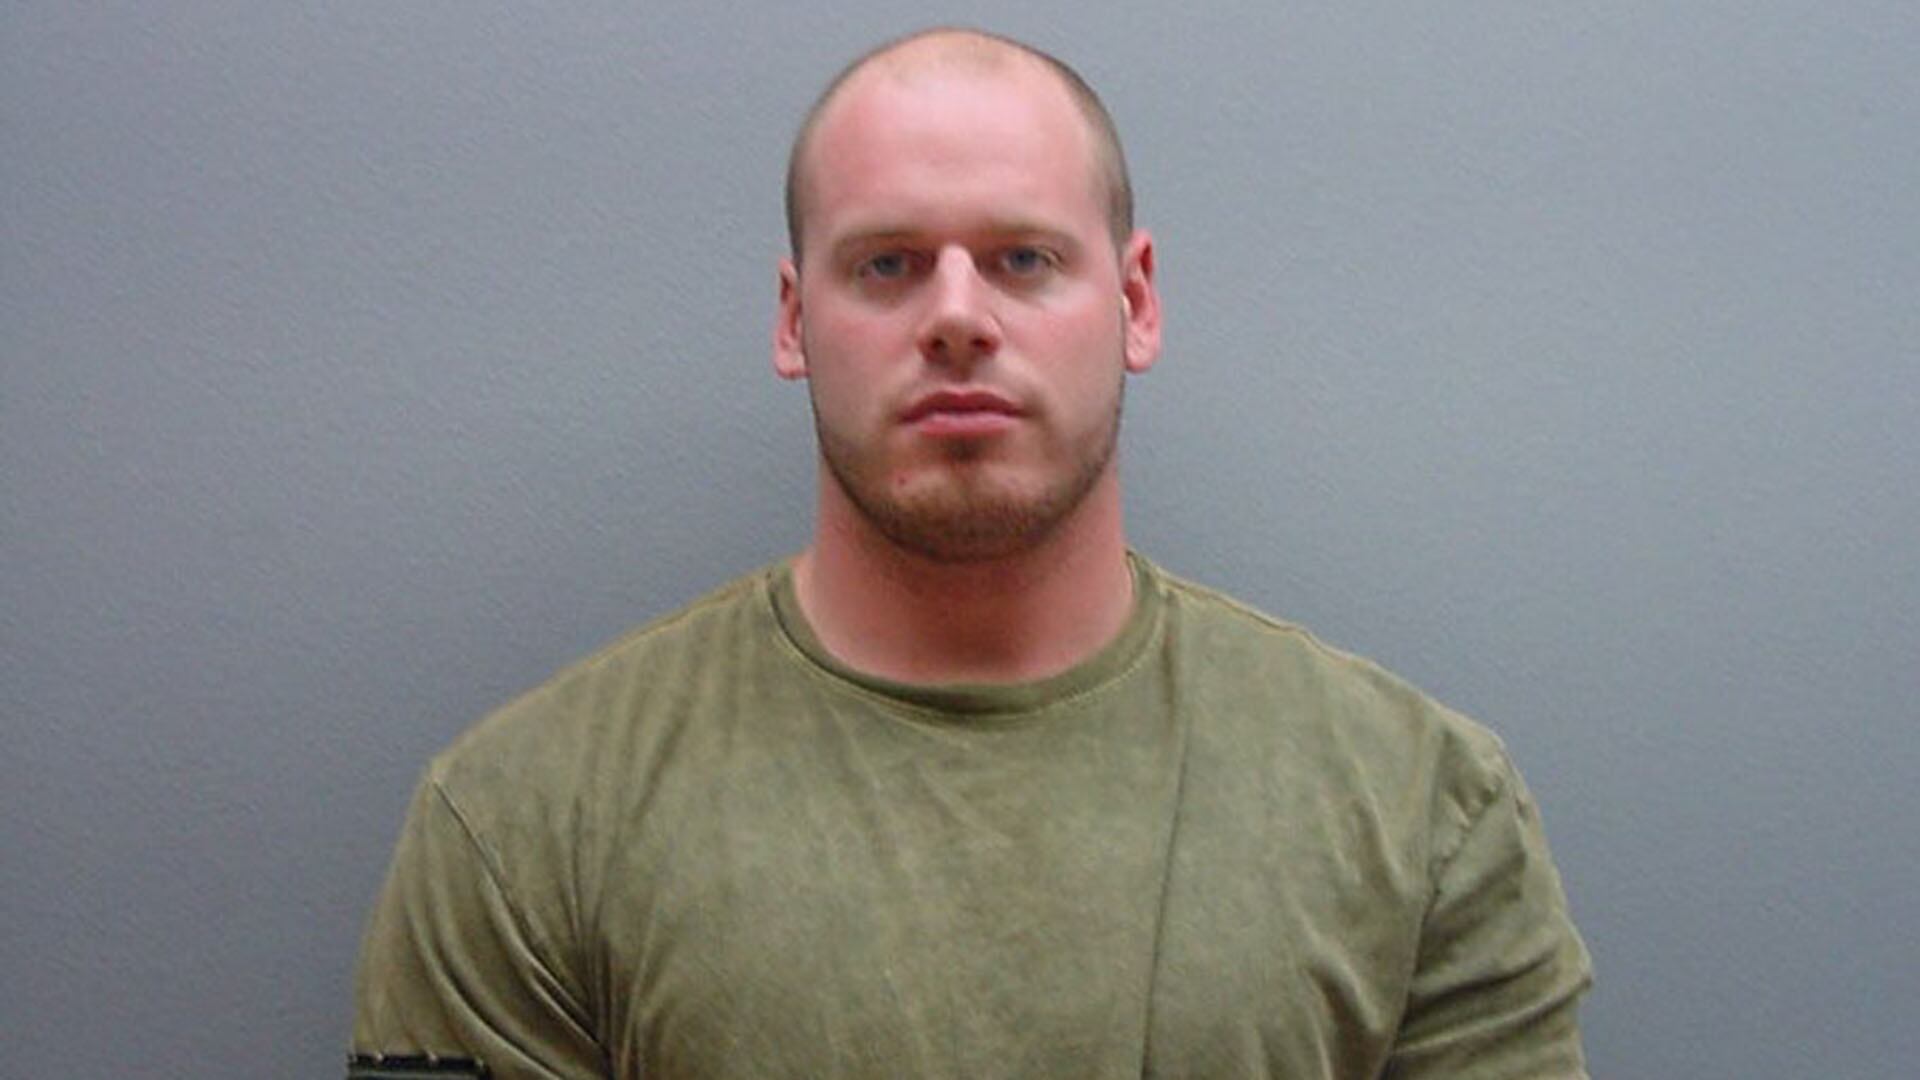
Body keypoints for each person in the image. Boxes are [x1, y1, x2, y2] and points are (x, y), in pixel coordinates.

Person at [349, 27, 1592, 1080]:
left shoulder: (1420, 807)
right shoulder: (523, 820)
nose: (956, 317)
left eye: (1023, 260)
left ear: (1135, 301)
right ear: (794, 318)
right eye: (887, 265)